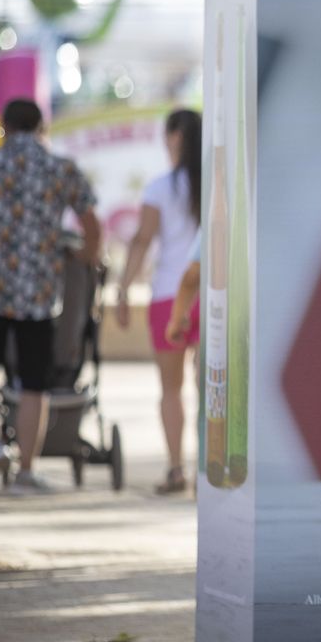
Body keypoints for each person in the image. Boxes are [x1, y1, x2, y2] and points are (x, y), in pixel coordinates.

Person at [0, 98, 100, 494]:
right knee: (34, 383)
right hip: (39, 294)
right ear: (42, 128)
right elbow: (92, 225)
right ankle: (26, 473)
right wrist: (85, 256)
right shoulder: (61, 168)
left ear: (5, 127)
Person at [115, 109, 203, 495]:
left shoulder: (160, 188)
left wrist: (122, 290)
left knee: (171, 390)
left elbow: (142, 241)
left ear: (173, 138)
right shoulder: (215, 183)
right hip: (210, 296)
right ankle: (207, 470)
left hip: (169, 296)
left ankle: (176, 469)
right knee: (209, 388)